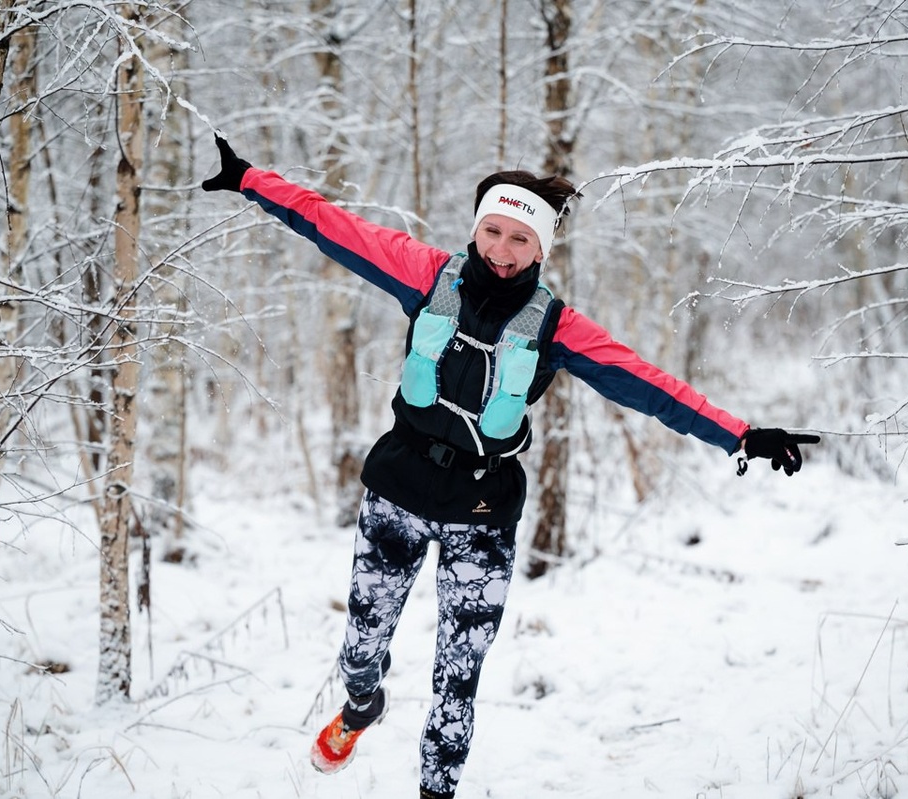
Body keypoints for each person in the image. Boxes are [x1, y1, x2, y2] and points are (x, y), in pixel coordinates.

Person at [201, 137, 818, 799]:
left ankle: (436, 790)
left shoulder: (556, 326)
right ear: (475, 228)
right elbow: (333, 226)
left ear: (541, 249)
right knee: (360, 647)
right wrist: (251, 180)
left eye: (521, 239)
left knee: (457, 679)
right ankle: (361, 703)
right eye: (492, 231)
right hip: (399, 488)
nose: (502, 249)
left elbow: (649, 385)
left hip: (483, 511)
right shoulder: (426, 275)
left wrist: (740, 435)